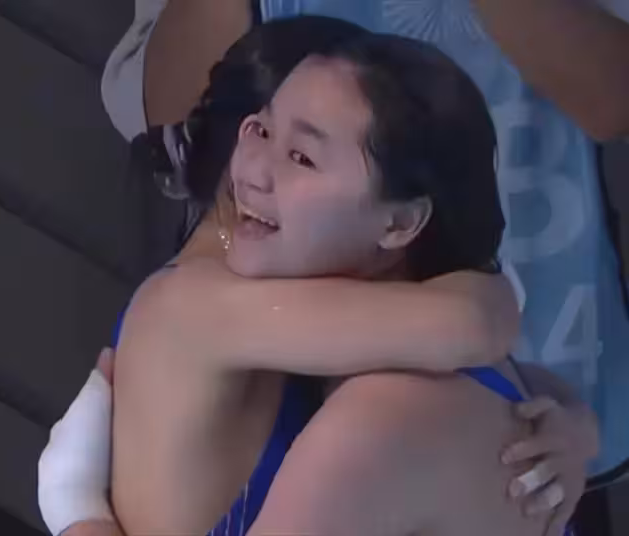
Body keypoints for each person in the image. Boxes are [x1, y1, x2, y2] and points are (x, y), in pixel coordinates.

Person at [40, 22, 597, 536]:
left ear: (400, 223)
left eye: (303, 157)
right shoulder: (219, 311)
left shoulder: (373, 412)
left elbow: (469, 324)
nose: (257, 170)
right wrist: (572, 417)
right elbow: (471, 325)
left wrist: (75, 510)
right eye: (261, 130)